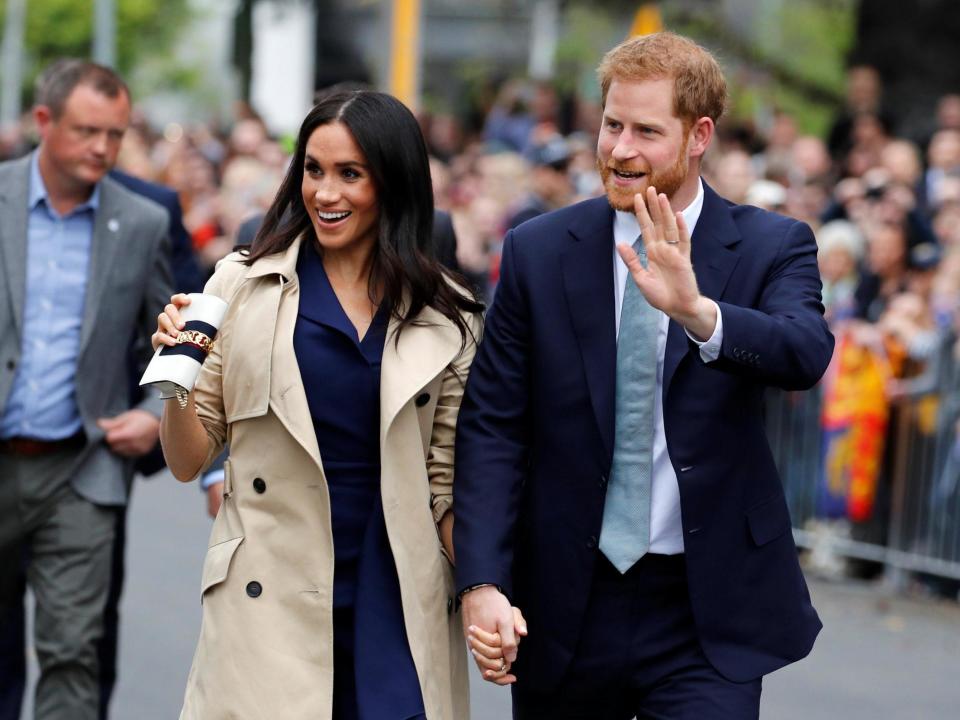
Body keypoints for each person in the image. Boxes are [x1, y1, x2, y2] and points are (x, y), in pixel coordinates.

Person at [453, 32, 834, 718]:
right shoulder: (539, 251)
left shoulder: (771, 245)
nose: (620, 149)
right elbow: (493, 426)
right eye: (611, 124)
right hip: (566, 598)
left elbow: (804, 352)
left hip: (704, 611)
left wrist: (699, 313)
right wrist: (481, 580)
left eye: (646, 131)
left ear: (699, 136)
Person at [153, 90, 484, 719]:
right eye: (313, 170)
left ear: (392, 181)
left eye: (350, 174)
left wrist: (490, 582)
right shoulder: (239, 285)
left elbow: (447, 483)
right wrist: (176, 382)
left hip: (397, 596)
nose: (325, 193)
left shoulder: (448, 313)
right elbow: (190, 459)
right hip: (267, 596)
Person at [0, 60, 171, 720]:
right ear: (44, 122)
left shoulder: (143, 222)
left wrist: (156, 411)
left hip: (81, 466)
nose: (103, 147)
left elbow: (181, 338)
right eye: (87, 130)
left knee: (73, 652)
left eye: (116, 134)